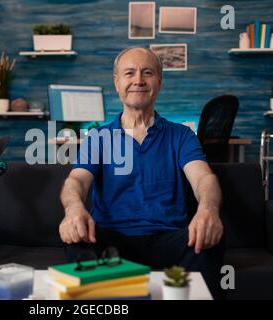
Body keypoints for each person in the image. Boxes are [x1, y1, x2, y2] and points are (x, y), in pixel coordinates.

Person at [59, 47, 225, 299]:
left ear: (159, 81)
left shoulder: (181, 135)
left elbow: (203, 178)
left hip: (167, 238)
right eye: (129, 73)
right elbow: (77, 180)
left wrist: (208, 210)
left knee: (210, 240)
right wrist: (73, 210)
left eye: (147, 72)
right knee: (76, 238)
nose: (138, 80)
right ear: (117, 82)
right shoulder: (99, 138)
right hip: (111, 239)